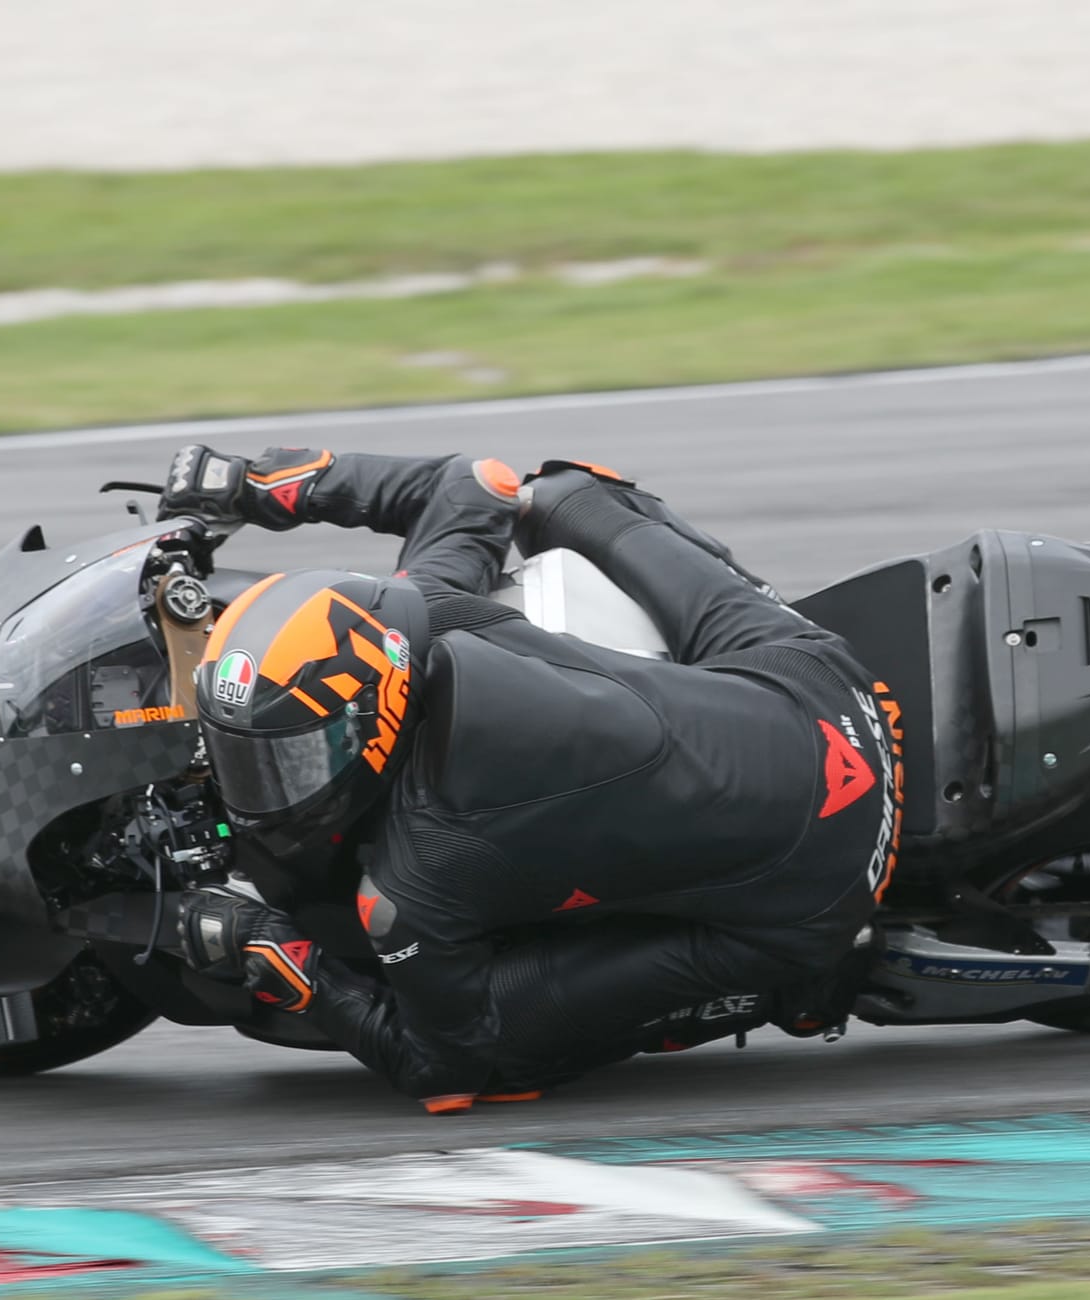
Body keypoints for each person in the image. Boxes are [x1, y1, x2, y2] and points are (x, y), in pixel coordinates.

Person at [158, 444, 900, 1112]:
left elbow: (439, 1067)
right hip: (818, 684)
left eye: (288, 760)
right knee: (561, 491)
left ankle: (801, 980)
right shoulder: (428, 614)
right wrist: (260, 484)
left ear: (374, 718)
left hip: (822, 883)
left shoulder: (416, 877)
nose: (258, 791)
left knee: (500, 1056)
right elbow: (478, 486)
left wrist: (278, 952)